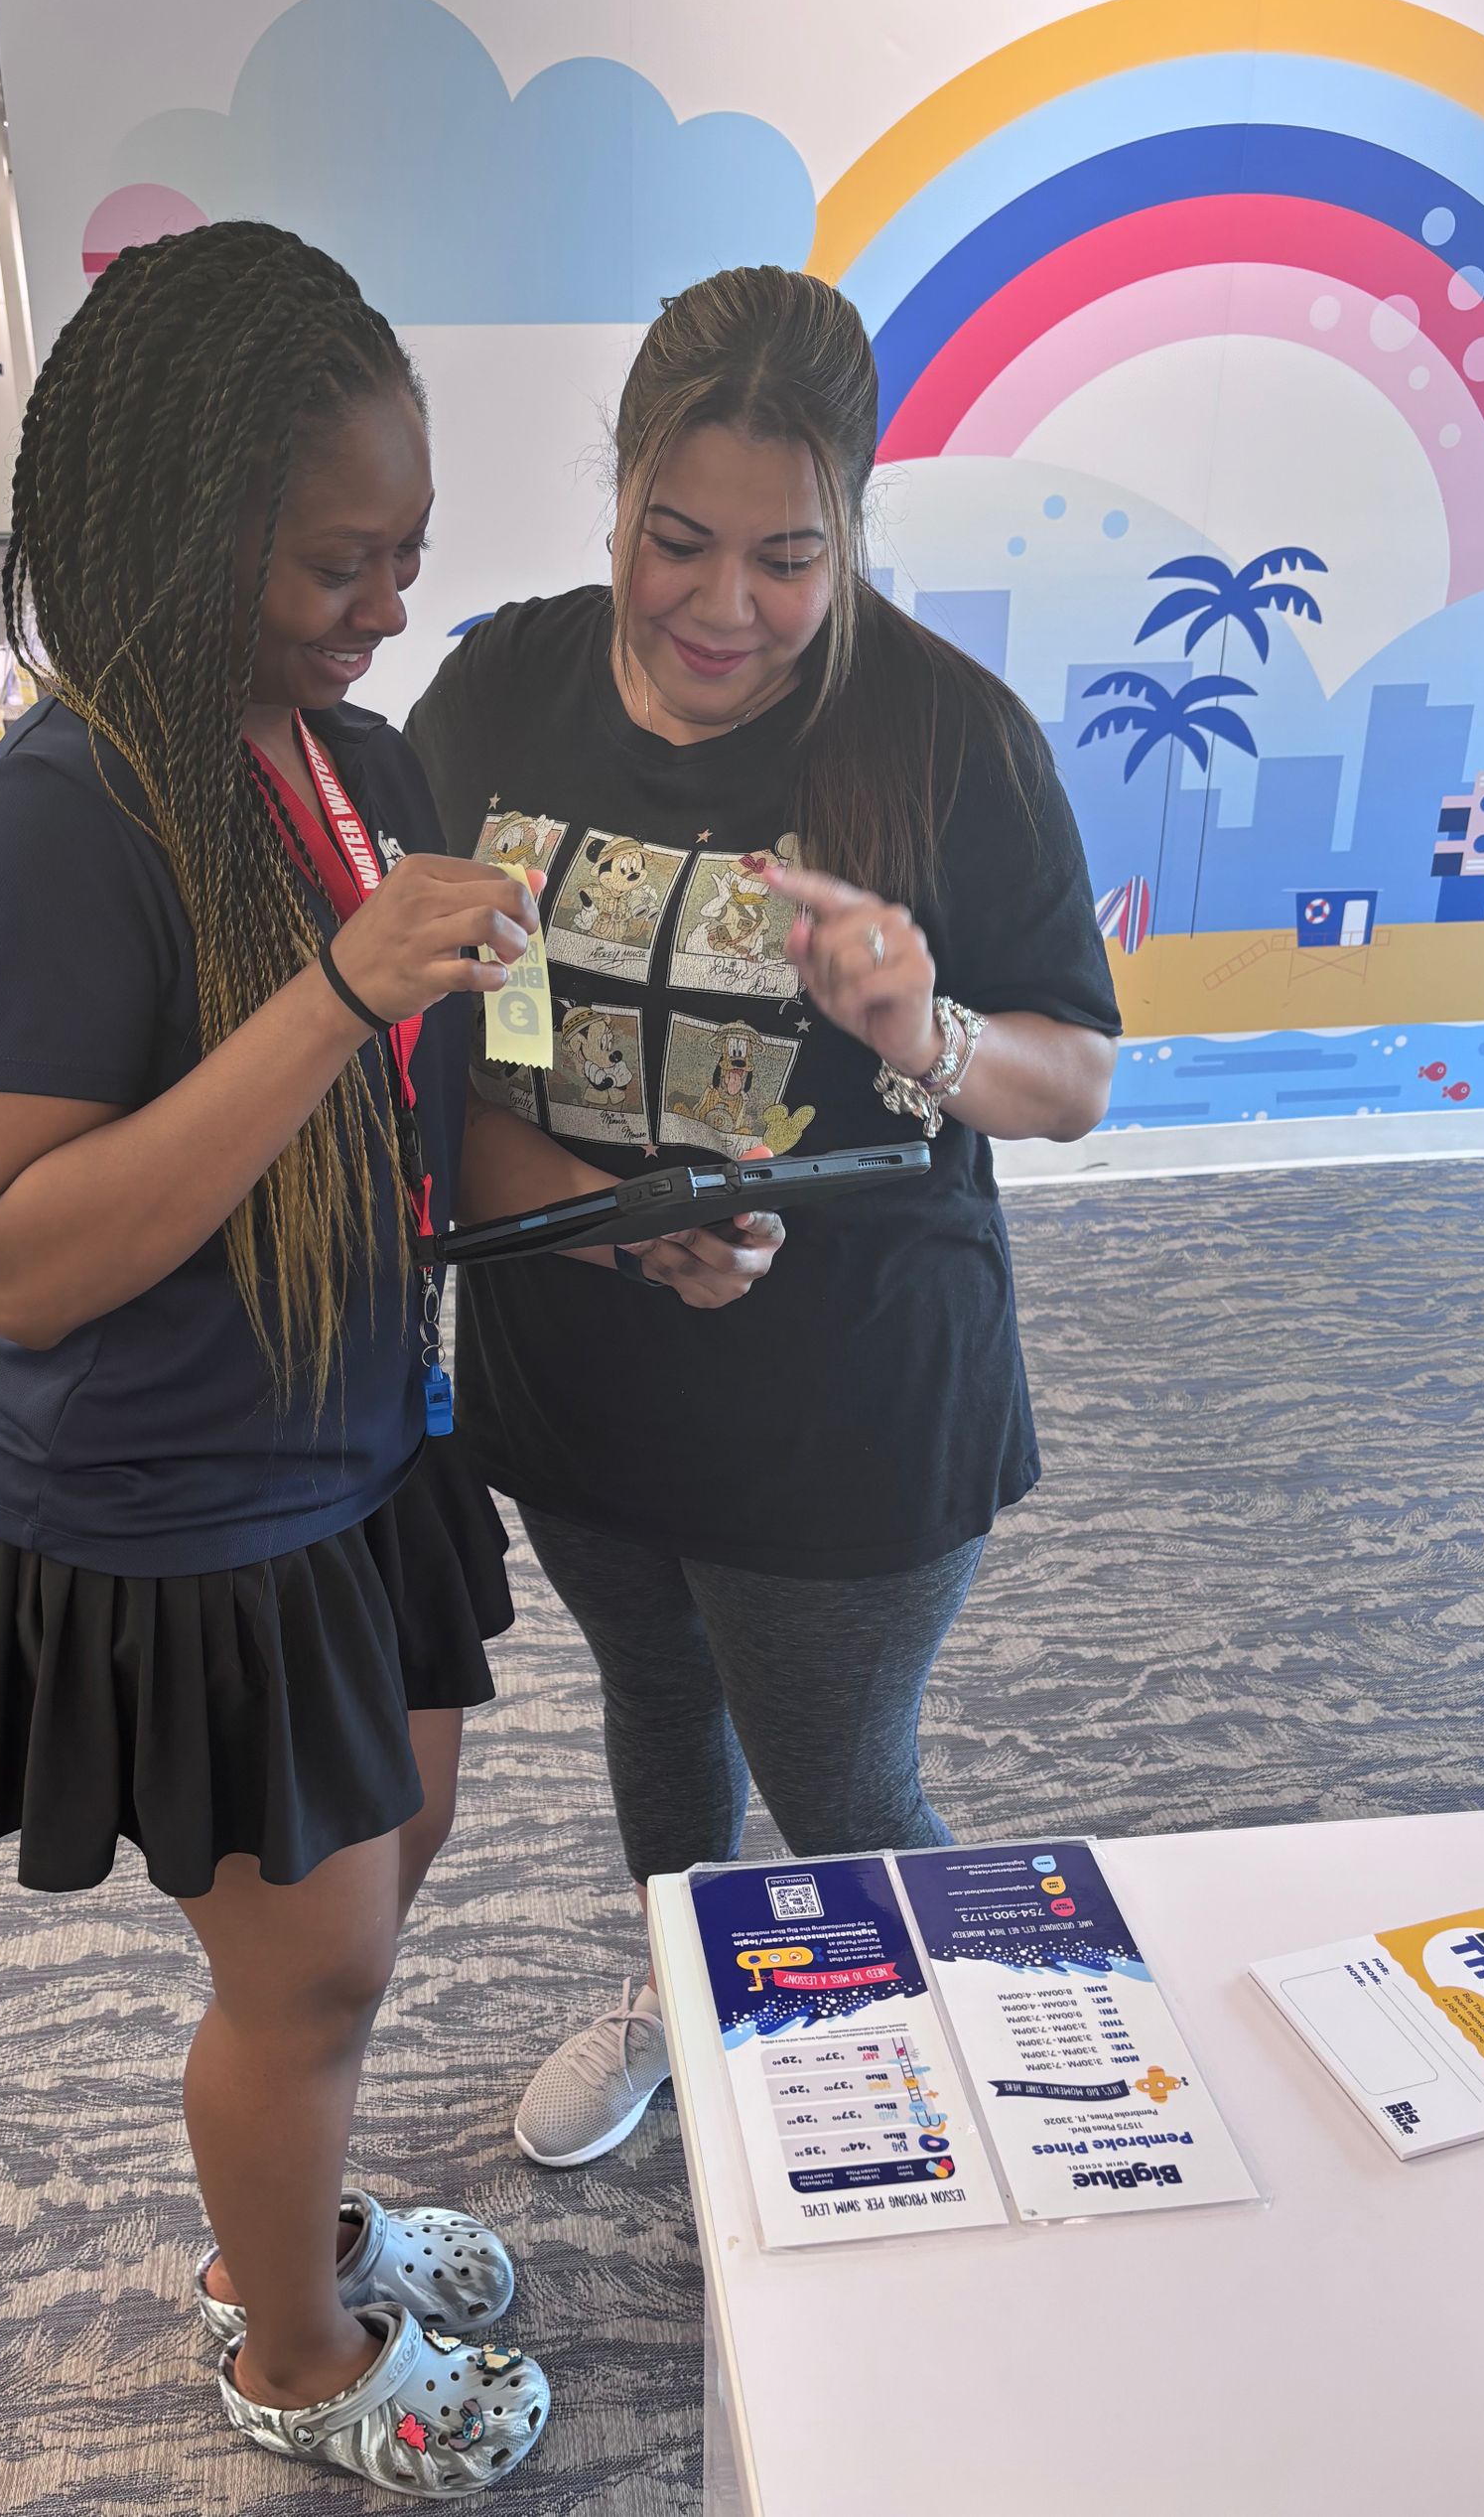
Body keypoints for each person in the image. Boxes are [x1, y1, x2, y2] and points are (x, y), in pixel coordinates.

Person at [0, 222, 772, 2495]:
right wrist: (339, 990)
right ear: (176, 538)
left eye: (403, 555)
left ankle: (289, 2230)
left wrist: (618, 1224)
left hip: (369, 1459)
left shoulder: (346, 758)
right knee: (298, 1982)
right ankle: (288, 2345)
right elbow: (19, 1253)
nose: (379, 606)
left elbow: (423, 1123)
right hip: (180, 1512)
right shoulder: (55, 827)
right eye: (328, 563)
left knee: (370, 1914)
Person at [408, 265, 1121, 2168]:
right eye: (678, 540)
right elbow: (441, 1062)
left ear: (857, 525)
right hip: (575, 1367)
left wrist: (928, 1024)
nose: (724, 608)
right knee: (656, 1699)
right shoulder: (496, 688)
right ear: (619, 492)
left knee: (837, 1776)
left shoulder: (950, 738)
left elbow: (1072, 1082)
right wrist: (613, 1223)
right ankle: (697, 1987)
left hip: (853, 1406)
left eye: (788, 557)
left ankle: (983, 2089)